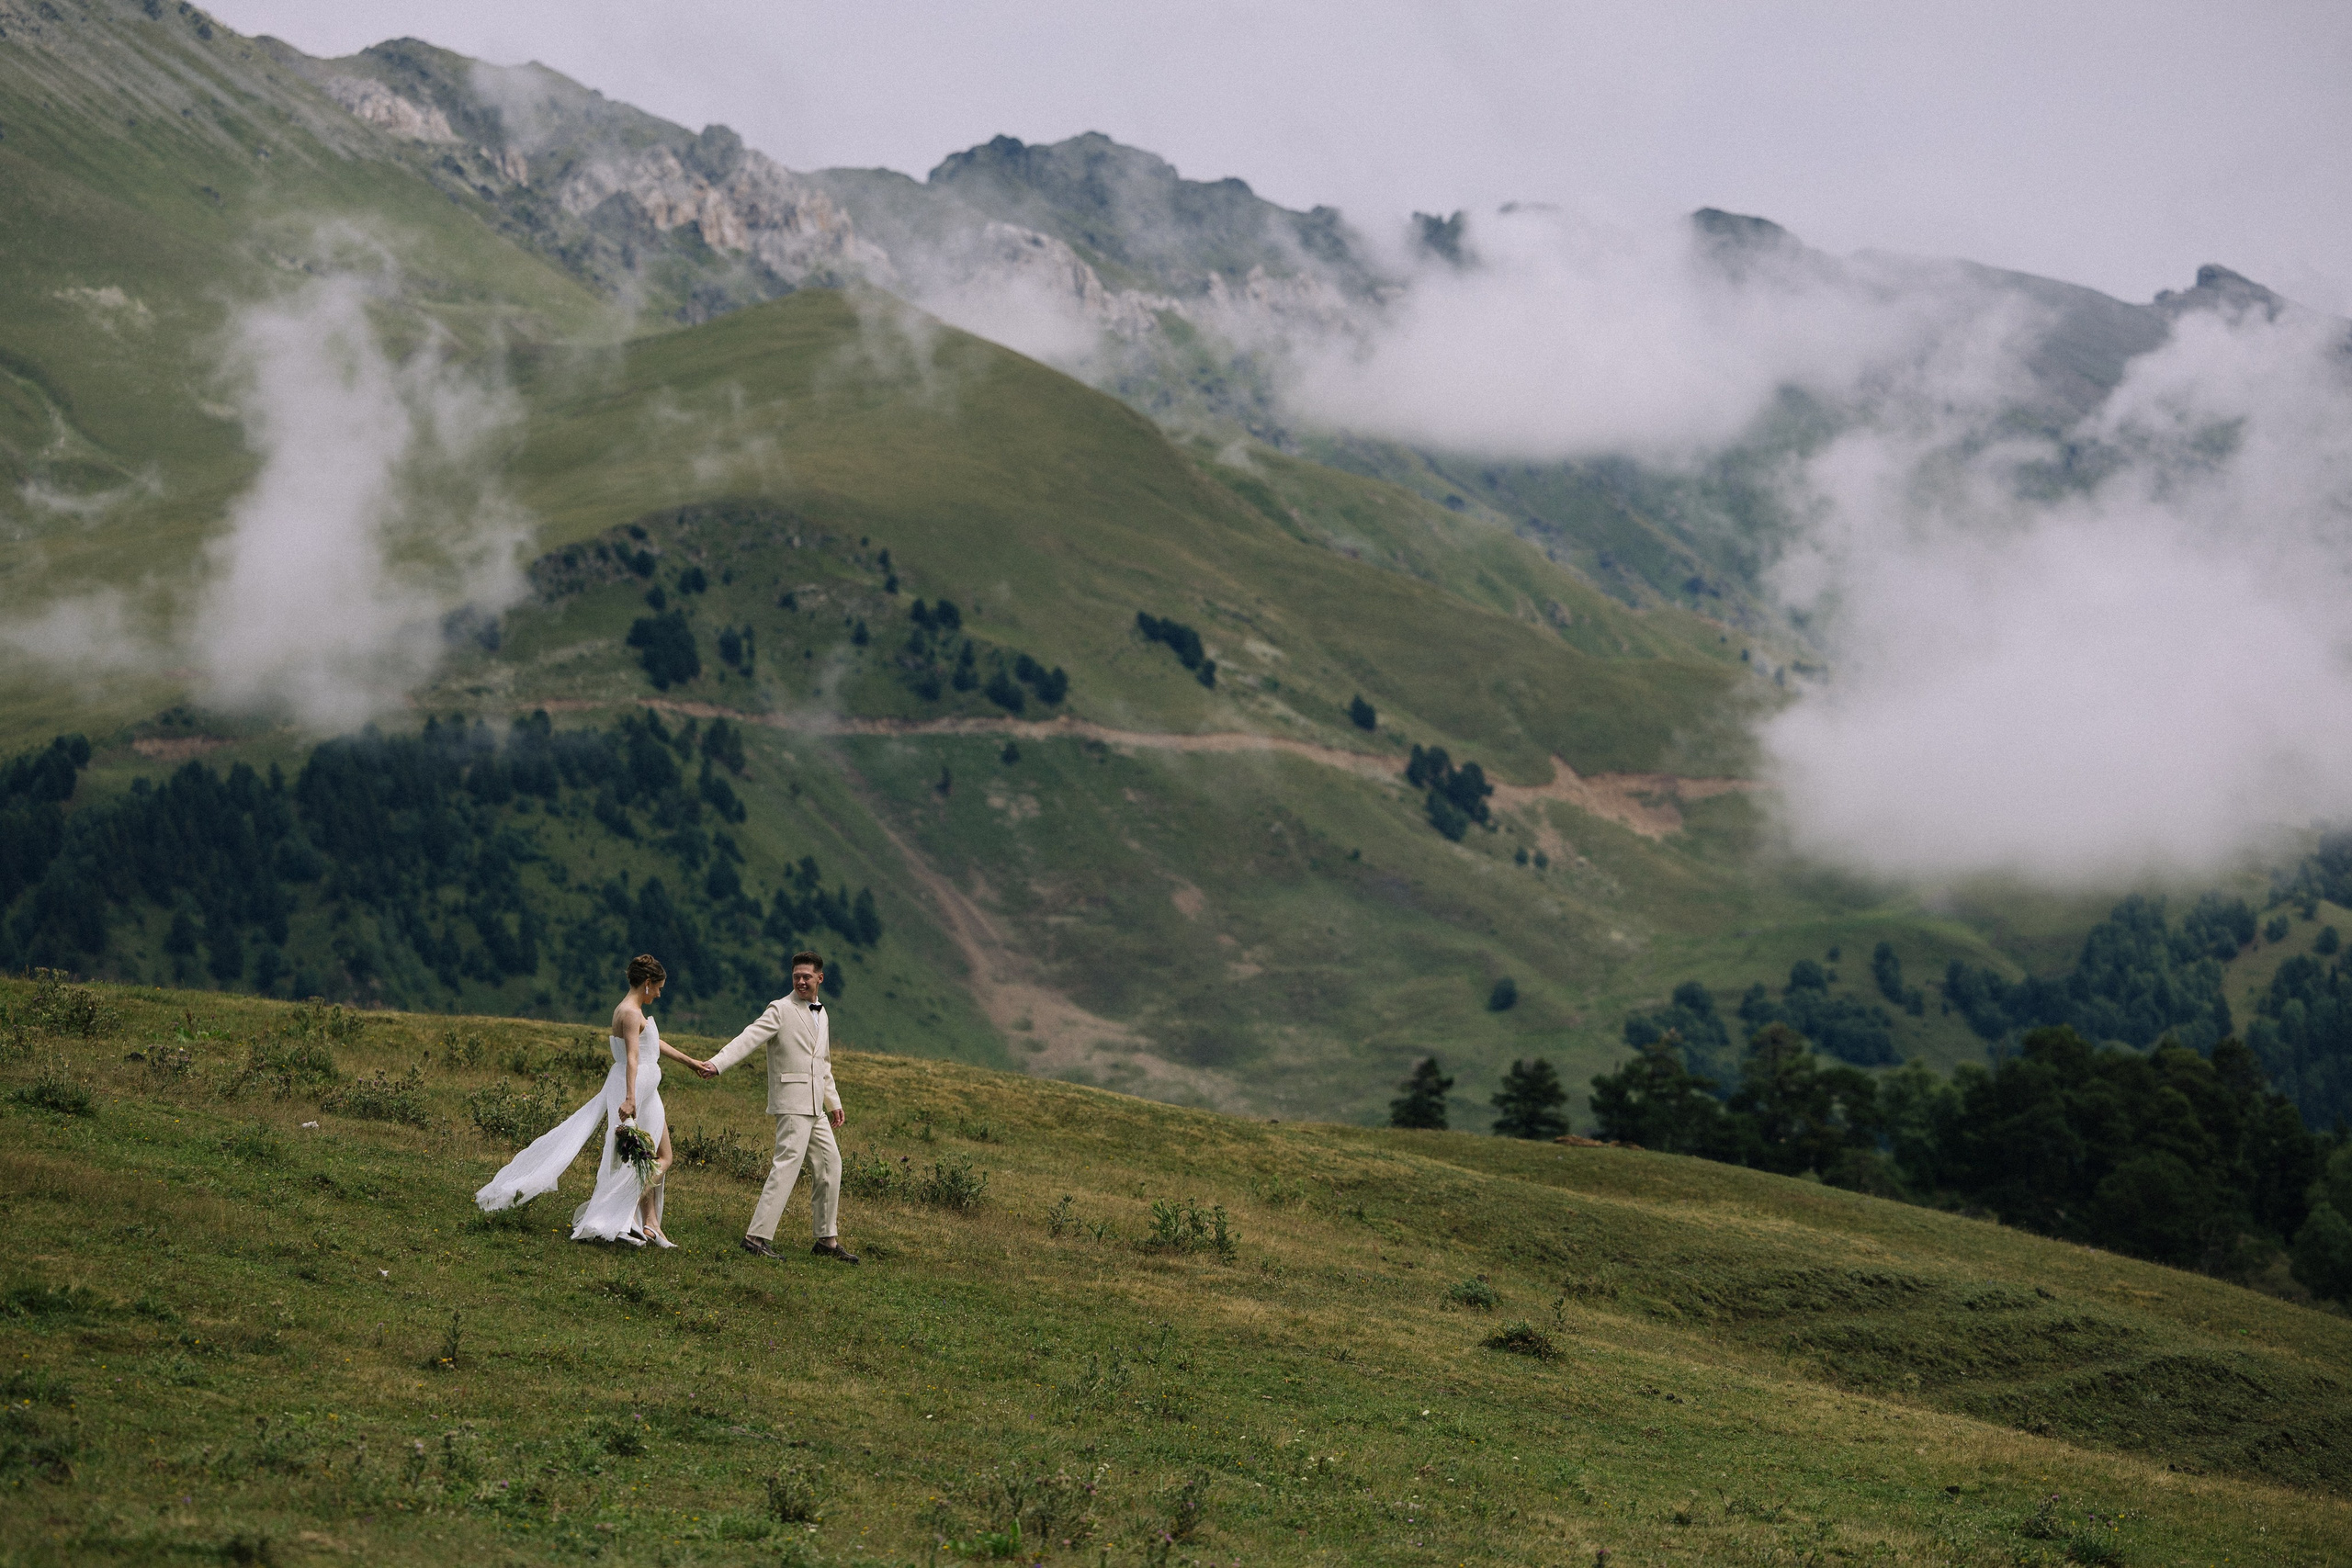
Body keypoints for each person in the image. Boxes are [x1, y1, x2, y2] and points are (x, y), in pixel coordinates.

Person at [474, 953, 718, 1247]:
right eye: (658, 988)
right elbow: (632, 1057)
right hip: (635, 1091)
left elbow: (652, 1042)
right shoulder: (630, 1012)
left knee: (656, 1157)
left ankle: (650, 1224)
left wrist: (690, 1062)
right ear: (648, 983)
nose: (659, 994)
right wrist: (630, 1099)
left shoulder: (632, 1010)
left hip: (647, 1092)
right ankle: (617, 1213)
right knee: (652, 1158)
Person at [707, 950, 858, 1262]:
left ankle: (826, 1241)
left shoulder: (822, 1014)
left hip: (815, 1106)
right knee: (787, 1166)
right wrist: (717, 1064)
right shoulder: (780, 1009)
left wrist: (833, 1101)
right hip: (791, 1103)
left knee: (830, 1164)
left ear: (820, 978)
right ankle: (755, 1238)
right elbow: (748, 1038)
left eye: (807, 977)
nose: (801, 982)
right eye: (796, 976)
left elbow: (823, 1063)